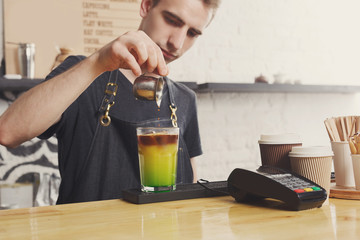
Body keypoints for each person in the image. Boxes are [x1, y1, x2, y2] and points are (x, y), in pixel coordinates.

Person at [0, 0, 221, 204]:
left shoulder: (184, 99)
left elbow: (190, 191)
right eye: (172, 20)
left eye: (192, 33)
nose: (177, 43)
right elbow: (8, 132)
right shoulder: (84, 75)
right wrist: (98, 61)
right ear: (145, 6)